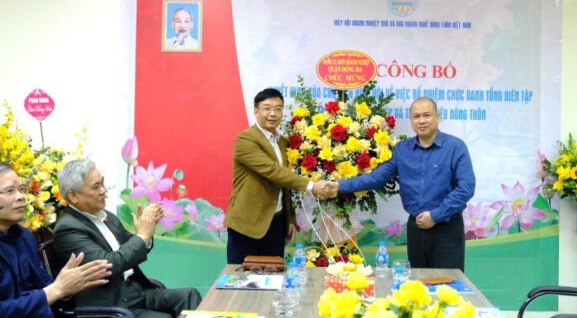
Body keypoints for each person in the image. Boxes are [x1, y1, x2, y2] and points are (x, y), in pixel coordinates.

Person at [327, 97, 475, 270]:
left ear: (438, 117)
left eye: (427, 115)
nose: (421, 121)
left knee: (449, 283)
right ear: (411, 120)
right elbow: (376, 178)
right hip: (416, 228)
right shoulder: (402, 149)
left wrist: (435, 216)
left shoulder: (455, 147)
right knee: (418, 282)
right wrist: (338, 186)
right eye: (416, 116)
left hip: (447, 227)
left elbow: (466, 188)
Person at [53, 159, 201, 318]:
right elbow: (107, 266)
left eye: (103, 183)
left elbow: (134, 245)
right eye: (96, 187)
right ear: (74, 195)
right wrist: (142, 235)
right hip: (112, 305)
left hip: (136, 290)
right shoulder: (68, 229)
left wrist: (147, 229)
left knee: (189, 295)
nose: (103, 190)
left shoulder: (106, 216)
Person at [224, 88, 333, 264]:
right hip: (247, 222)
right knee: (240, 275)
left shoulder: (283, 142)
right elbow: (273, 171)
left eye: (278, 109)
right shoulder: (245, 139)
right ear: (256, 111)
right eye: (267, 108)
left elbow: (285, 183)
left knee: (273, 273)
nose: (273, 114)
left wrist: (289, 219)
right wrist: (312, 186)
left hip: (276, 222)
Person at [0, 163, 112, 318]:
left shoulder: (24, 237)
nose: (21, 197)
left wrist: (67, 288)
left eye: (22, 189)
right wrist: (57, 289)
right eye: (9, 191)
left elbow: (46, 285)